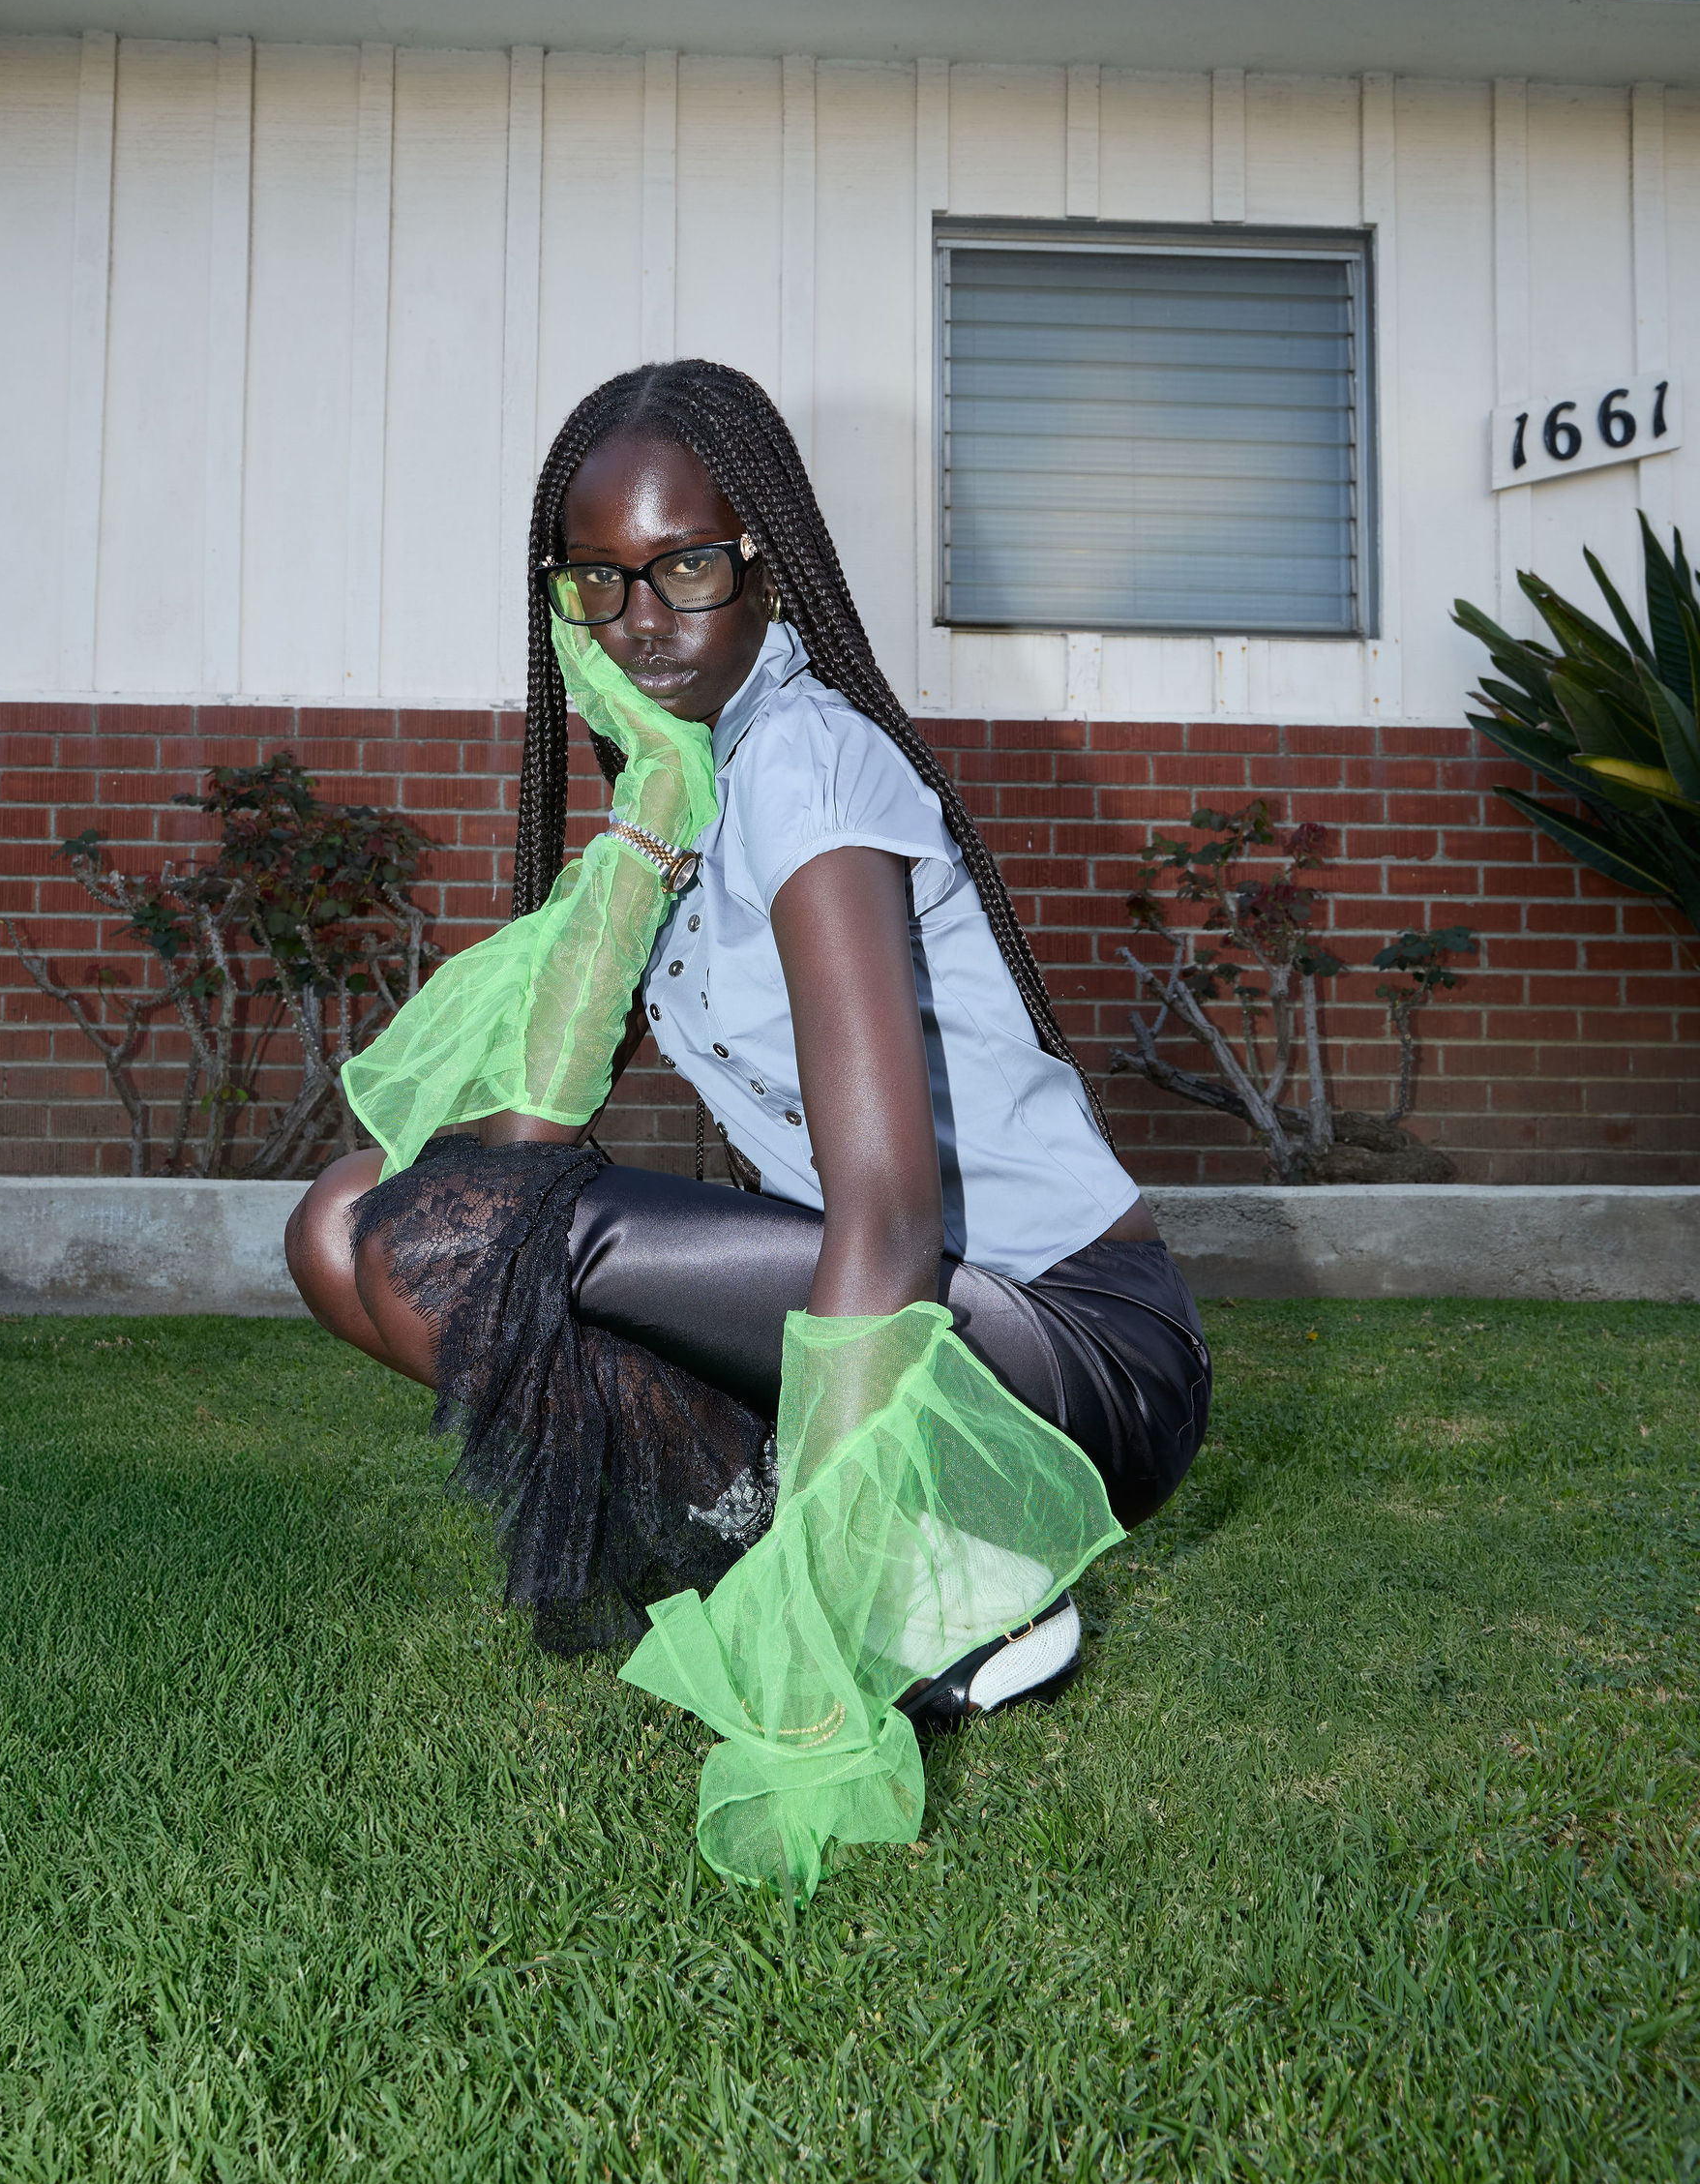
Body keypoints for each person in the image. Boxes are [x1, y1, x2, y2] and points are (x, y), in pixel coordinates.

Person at [286, 359, 1209, 1895]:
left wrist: (807, 1651)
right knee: (352, 1233)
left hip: (1075, 1353)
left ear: (767, 562)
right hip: (927, 1324)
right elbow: (527, 1135)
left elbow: (891, 1219)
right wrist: (643, 826)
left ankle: (913, 1584)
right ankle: (929, 1586)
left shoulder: (804, 764)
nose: (645, 621)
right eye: (601, 583)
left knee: (436, 1232)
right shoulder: (696, 786)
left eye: (689, 568)